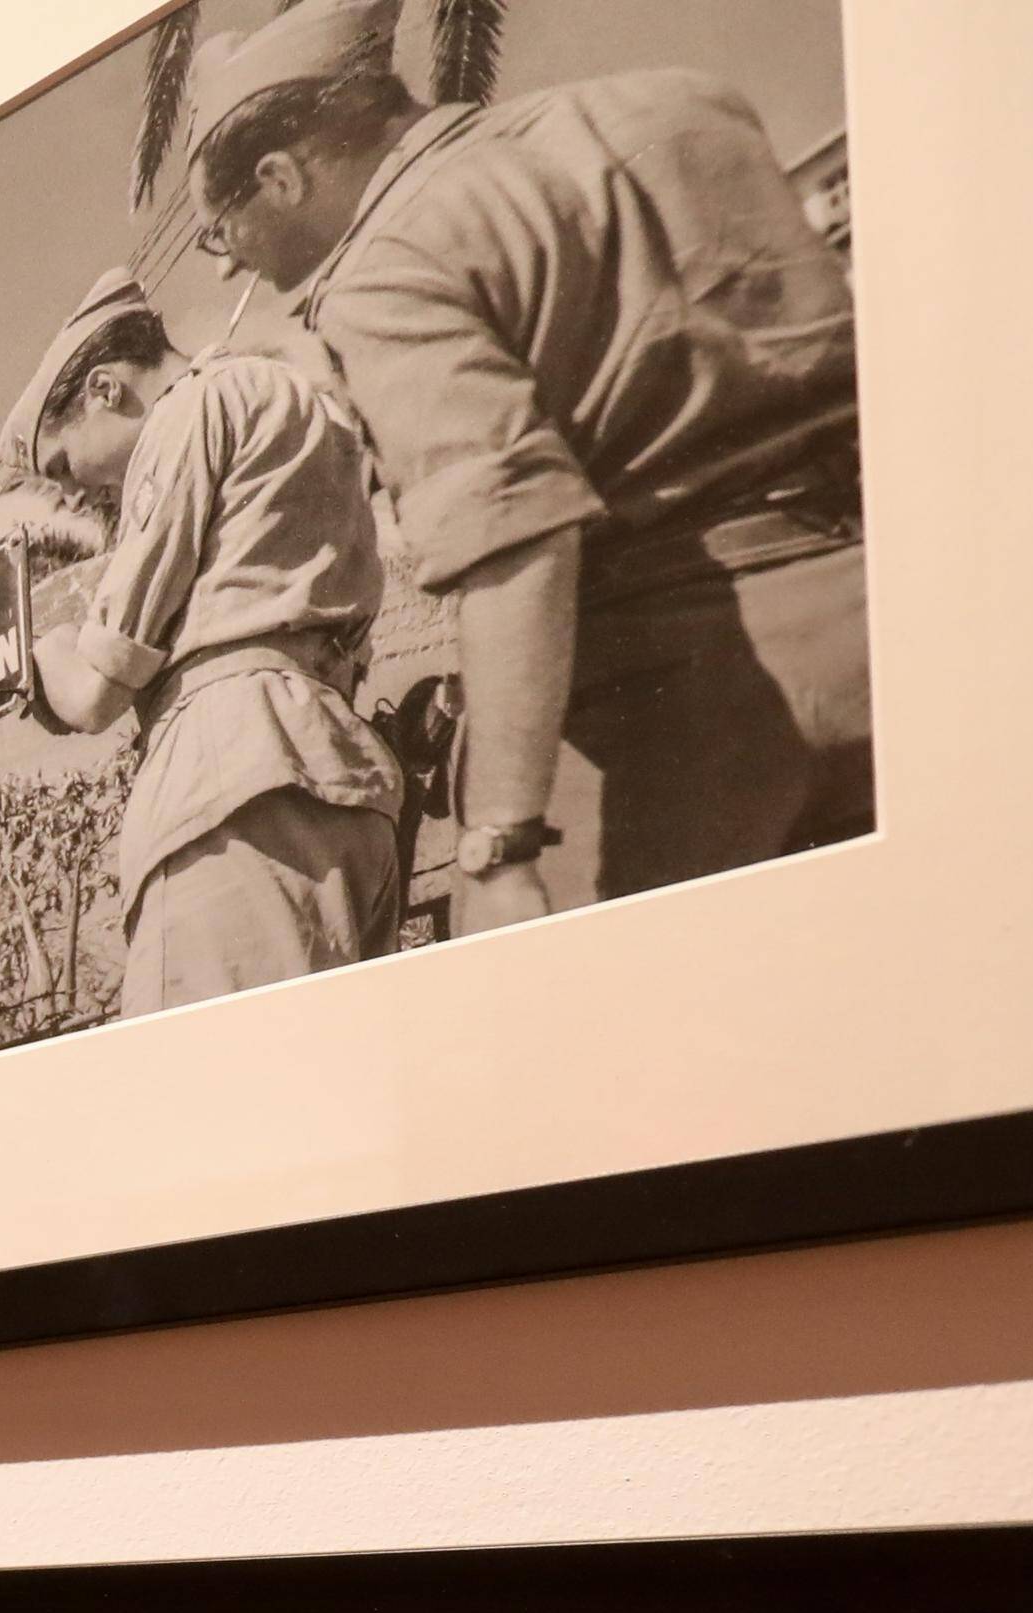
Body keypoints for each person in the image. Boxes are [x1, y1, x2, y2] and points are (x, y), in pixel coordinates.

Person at [178, 1, 867, 931]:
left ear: (280, 176)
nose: (227, 270)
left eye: (220, 231)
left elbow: (517, 543)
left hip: (672, 713)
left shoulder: (383, 269)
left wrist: (499, 846)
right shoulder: (683, 104)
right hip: (879, 623)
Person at [14, 272, 406, 1010]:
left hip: (234, 789)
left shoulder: (186, 411)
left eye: (66, 464)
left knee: (205, 1100)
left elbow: (94, 692)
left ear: (104, 389)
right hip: (343, 784)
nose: (79, 494)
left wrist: (42, 650)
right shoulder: (298, 404)